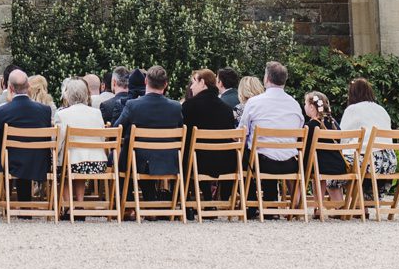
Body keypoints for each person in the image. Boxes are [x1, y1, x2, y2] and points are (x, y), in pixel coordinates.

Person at [236, 61, 305, 201]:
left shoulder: (254, 102)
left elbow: (242, 132)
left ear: (266, 79)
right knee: (263, 148)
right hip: (290, 163)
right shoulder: (295, 104)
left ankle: (250, 203)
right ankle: (271, 202)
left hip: (262, 163)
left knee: (241, 154)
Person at [0, 70, 56, 201]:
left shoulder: (1, 111)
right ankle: (25, 205)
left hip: (11, 162)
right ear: (28, 85)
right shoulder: (45, 111)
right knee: (24, 155)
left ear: (10, 88)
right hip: (38, 161)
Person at [119, 65, 186, 200]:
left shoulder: (133, 105)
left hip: (138, 162)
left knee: (123, 154)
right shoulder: (176, 107)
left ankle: (127, 205)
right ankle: (153, 200)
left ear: (145, 82)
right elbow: (180, 128)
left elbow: (118, 128)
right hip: (169, 161)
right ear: (166, 84)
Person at [181, 67, 239, 196]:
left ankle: (191, 199)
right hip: (226, 163)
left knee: (184, 153)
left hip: (198, 164)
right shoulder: (226, 108)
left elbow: (184, 137)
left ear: (202, 83)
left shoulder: (189, 106)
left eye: (194, 82)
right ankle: (223, 200)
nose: (191, 87)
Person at [339, 77, 397, 176]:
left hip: (370, 161)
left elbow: (342, 138)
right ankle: (365, 191)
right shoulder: (381, 109)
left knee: (333, 168)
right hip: (389, 162)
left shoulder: (352, 110)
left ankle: (341, 191)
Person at [303, 90, 348, 204]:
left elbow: (305, 150)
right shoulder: (334, 124)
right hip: (339, 166)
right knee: (318, 162)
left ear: (312, 107)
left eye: (305, 104)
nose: (304, 106)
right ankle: (338, 207)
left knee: (313, 165)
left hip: (320, 167)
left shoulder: (310, 126)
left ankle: (318, 207)